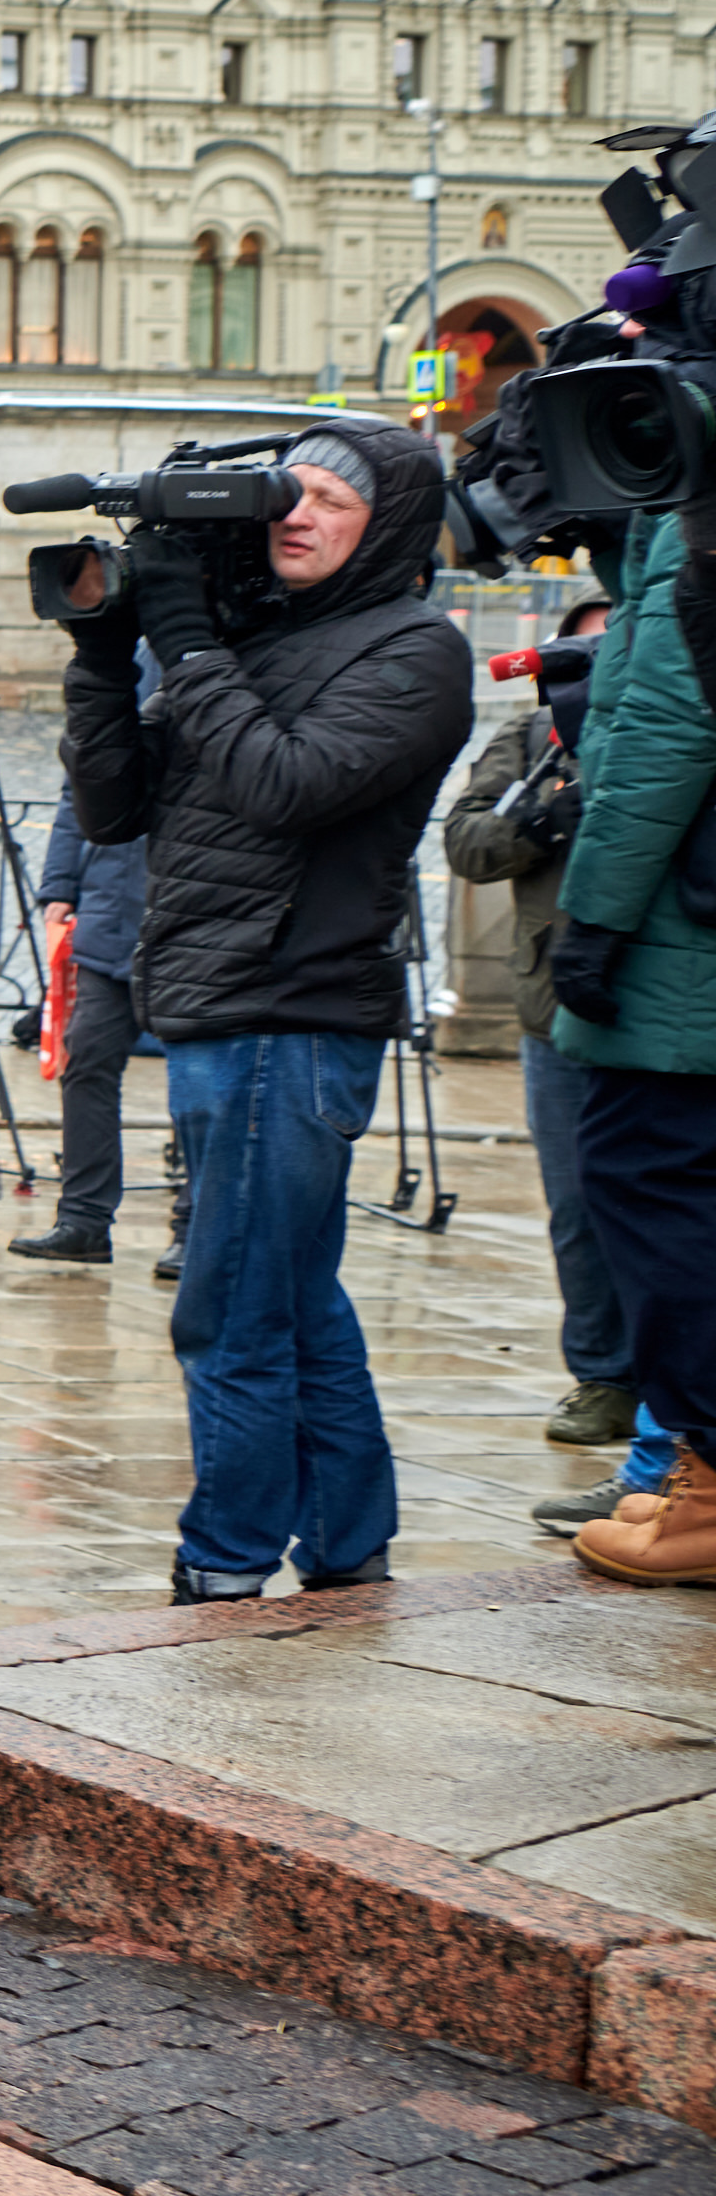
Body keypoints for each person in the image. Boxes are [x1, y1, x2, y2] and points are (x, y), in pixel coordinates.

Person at [59, 423, 470, 1601]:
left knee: (228, 1309)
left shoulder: (414, 651)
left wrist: (187, 641)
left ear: (385, 524)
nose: (296, 511)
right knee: (290, 1296)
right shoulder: (257, 638)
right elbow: (109, 806)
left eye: (330, 498)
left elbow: (280, 787)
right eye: (285, 491)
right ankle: (346, 1545)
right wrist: (104, 653)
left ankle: (223, 1562)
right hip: (221, 1008)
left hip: (285, 1019)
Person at [544, 452, 716, 1585]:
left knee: (644, 1174)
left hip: (680, 930)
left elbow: (659, 720)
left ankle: (704, 1482)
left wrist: (591, 918)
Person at [447, 604, 649, 1494]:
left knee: (667, 1204)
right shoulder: (532, 735)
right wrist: (540, 823)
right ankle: (603, 1372)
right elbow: (466, 839)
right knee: (576, 1203)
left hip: (659, 999)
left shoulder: (671, 722)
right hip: (549, 1003)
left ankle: (672, 1387)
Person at [14, 764, 156, 1269]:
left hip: (191, 919)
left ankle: (194, 1227)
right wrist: (59, 885)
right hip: (109, 917)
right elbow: (79, 786)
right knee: (87, 1056)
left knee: (200, 1080)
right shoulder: (112, 691)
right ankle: (83, 1221)